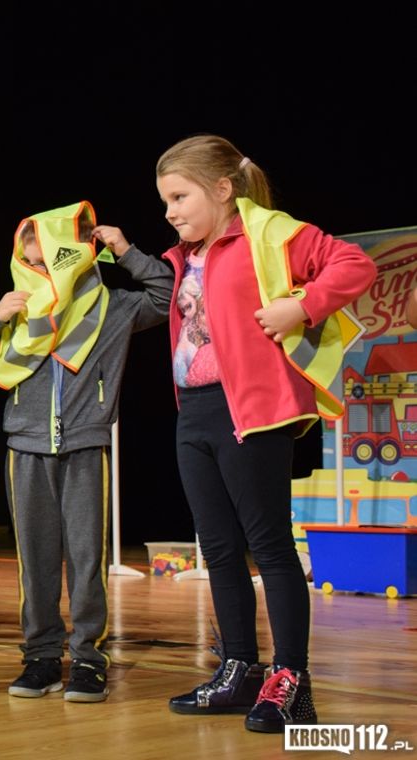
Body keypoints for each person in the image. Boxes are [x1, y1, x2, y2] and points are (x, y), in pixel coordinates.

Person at [138, 135, 375, 732]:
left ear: (222, 190)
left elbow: (355, 263)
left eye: (180, 195)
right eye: (165, 199)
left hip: (252, 411)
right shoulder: (185, 255)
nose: (170, 210)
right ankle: (239, 668)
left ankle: (289, 678)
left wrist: (304, 306)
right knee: (217, 547)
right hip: (193, 410)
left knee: (268, 546)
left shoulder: (268, 233)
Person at [0, 202, 172, 702]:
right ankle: (40, 656)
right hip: (25, 448)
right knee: (34, 560)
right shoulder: (17, 308)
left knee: (86, 558)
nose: (36, 271)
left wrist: (124, 251)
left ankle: (87, 658)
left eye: (45, 261)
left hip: (85, 444)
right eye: (27, 261)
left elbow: (166, 296)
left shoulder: (112, 308)